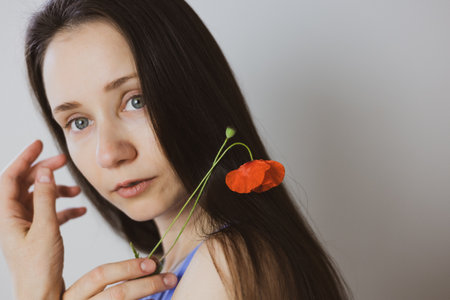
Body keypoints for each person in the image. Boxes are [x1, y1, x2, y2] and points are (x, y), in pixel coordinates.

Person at [0, 0, 353, 299]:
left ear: (193, 91)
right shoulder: (174, 269)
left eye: (136, 100)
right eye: (78, 122)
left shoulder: (227, 263)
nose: (109, 154)